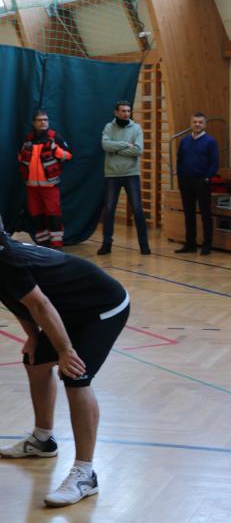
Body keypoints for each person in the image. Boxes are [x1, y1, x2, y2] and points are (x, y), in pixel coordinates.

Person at [0, 216, 129, 508]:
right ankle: (43, 440)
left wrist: (66, 350)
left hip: (103, 307)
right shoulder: (4, 257)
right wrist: (33, 336)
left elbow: (40, 304)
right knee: (34, 360)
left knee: (75, 374)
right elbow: (14, 298)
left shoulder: (6, 259)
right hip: (68, 309)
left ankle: (85, 474)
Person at [98, 101, 150, 256]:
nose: (126, 113)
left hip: (131, 174)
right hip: (112, 174)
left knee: (138, 209)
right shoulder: (109, 127)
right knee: (109, 209)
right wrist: (126, 145)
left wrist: (115, 149)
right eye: (123, 111)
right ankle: (106, 244)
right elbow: (105, 146)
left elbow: (138, 151)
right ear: (116, 112)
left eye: (128, 111)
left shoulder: (136, 128)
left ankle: (144, 245)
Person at [18, 109, 72, 249]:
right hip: (31, 187)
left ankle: (56, 246)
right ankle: (42, 246)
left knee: (54, 215)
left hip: (50, 187)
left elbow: (68, 156)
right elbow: (20, 157)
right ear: (33, 123)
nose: (43, 122)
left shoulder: (55, 137)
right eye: (40, 120)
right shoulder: (27, 139)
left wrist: (56, 150)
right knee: (37, 216)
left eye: (45, 120)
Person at [175, 112, 219, 256]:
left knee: (205, 214)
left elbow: (215, 163)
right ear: (191, 123)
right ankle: (190, 244)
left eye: (200, 122)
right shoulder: (184, 141)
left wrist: (207, 179)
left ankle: (207, 245)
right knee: (189, 214)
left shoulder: (210, 141)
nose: (197, 124)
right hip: (186, 182)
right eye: (195, 122)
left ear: (205, 124)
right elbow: (179, 160)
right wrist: (180, 178)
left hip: (202, 182)